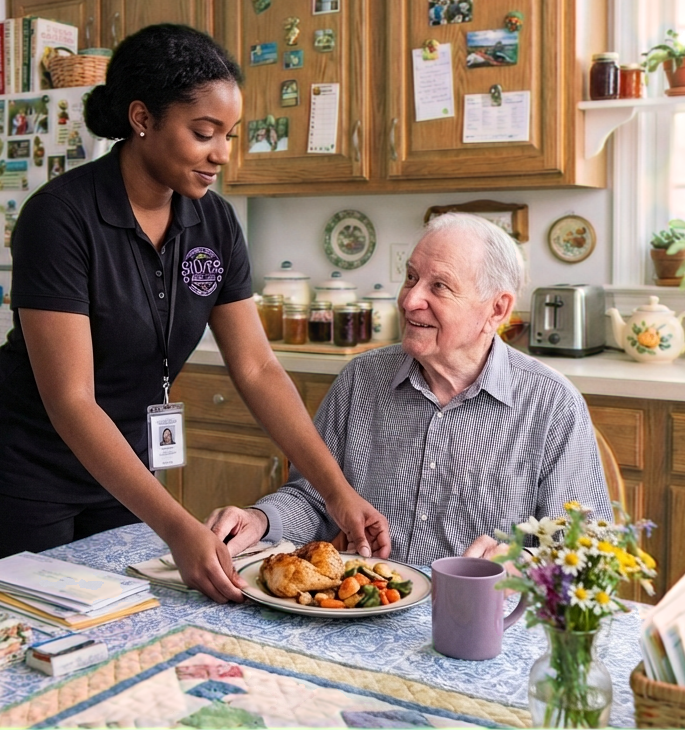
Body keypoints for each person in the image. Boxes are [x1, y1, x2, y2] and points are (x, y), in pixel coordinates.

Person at [0, 23, 388, 603]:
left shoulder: (214, 224)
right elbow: (72, 400)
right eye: (204, 132)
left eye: (229, 135)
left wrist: (337, 491)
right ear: (142, 119)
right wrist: (178, 526)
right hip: (22, 473)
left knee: (121, 631)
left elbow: (258, 368)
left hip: (123, 473)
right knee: (30, 641)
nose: (222, 155)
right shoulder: (59, 218)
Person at [208, 213, 613, 566]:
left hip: (482, 628)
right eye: (412, 277)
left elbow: (589, 552)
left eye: (439, 286)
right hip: (362, 614)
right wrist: (261, 520)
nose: (410, 299)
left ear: (498, 310)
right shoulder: (360, 379)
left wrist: (521, 563)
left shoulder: (552, 405)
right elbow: (314, 496)